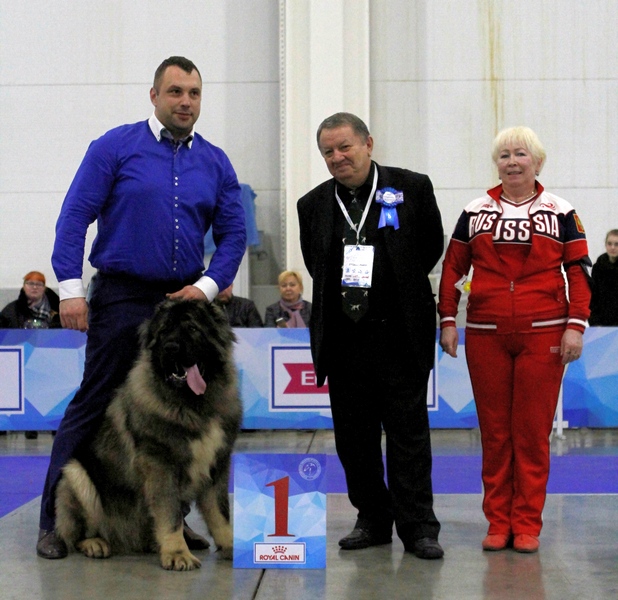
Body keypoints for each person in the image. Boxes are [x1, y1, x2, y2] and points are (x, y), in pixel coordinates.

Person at [36, 56, 247, 560]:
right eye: (175, 92)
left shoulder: (215, 161)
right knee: (96, 401)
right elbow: (75, 216)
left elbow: (234, 232)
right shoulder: (114, 147)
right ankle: (53, 522)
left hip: (187, 299)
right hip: (122, 296)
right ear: (154, 95)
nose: (185, 102)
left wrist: (208, 283)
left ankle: (174, 522)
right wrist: (69, 289)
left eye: (194, 94)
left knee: (195, 415)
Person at [297, 112, 445, 559]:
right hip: (344, 343)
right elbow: (314, 264)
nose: (338, 158)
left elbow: (430, 247)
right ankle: (373, 519)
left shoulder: (412, 188)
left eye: (345, 147)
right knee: (354, 440)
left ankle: (418, 527)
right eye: (328, 152)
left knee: (408, 438)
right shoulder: (312, 205)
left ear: (369, 144)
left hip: (399, 338)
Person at [438, 126, 592, 554]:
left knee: (531, 433)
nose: (511, 162)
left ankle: (526, 524)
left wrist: (575, 325)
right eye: (503, 155)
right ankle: (497, 521)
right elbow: (453, 270)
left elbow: (579, 274)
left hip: (544, 335)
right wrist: (448, 319)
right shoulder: (475, 211)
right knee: (494, 433)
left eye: (520, 154)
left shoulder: (562, 211)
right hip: (485, 335)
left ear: (537, 162)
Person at [0, 271, 61, 440]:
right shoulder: (10, 310)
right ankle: (23, 426)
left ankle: (55, 425)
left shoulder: (59, 309)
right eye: (30, 284)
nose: (34, 288)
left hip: (51, 363)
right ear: (23, 286)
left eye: (39, 284)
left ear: (45, 288)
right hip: (19, 365)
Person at [589, 229, 618, 326]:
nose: (613, 247)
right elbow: (593, 297)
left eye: (616, 244)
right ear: (605, 244)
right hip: (601, 326)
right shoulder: (598, 267)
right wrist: (594, 322)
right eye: (609, 243)